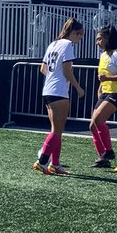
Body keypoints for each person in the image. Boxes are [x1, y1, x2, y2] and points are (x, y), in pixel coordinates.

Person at [31, 18, 85, 175]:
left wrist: (54, 75)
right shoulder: (67, 45)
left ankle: (55, 164)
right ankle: (42, 162)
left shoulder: (52, 44)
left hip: (48, 90)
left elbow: (43, 69)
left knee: (58, 130)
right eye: (79, 36)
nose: (79, 40)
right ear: (75, 33)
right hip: (59, 91)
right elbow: (68, 71)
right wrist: (78, 87)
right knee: (56, 131)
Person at [89, 25, 117, 167]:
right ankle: (103, 158)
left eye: (99, 39)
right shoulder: (103, 55)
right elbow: (103, 76)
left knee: (99, 119)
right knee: (92, 126)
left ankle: (109, 151)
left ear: (108, 38)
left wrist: (107, 79)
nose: (97, 42)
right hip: (106, 92)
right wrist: (101, 88)